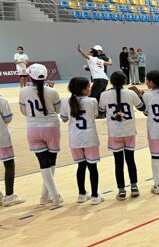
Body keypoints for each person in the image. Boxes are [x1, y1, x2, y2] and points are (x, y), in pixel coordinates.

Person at [19, 63, 63, 208]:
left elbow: (23, 111)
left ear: (30, 76)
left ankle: (47, 196)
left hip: (33, 128)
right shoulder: (52, 91)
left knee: (43, 163)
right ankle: (51, 196)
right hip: (51, 127)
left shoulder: (23, 91)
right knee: (51, 162)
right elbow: (58, 110)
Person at [100, 71, 145, 200]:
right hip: (129, 130)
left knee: (118, 162)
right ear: (125, 81)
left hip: (115, 132)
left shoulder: (104, 94)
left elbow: (101, 111)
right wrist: (140, 95)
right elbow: (142, 108)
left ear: (111, 82)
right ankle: (134, 186)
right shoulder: (131, 93)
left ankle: (121, 190)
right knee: (130, 160)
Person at [60, 77, 103, 205]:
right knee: (92, 167)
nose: (90, 89)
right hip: (89, 138)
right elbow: (95, 115)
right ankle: (95, 196)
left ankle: (81, 194)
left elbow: (64, 118)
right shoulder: (92, 101)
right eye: (88, 87)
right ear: (83, 90)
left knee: (81, 166)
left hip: (75, 139)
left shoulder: (66, 101)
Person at [0, 95, 24, 207]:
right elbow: (8, 119)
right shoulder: (2, 101)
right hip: (2, 137)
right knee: (9, 164)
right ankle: (9, 196)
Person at [76, 43, 112, 110]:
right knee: (99, 96)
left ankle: (92, 110)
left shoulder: (91, 58)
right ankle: (101, 111)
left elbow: (84, 55)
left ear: (92, 53)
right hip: (105, 79)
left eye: (89, 52)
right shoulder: (100, 60)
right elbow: (110, 63)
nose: (88, 53)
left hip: (98, 80)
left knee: (92, 96)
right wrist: (109, 58)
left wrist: (80, 51)